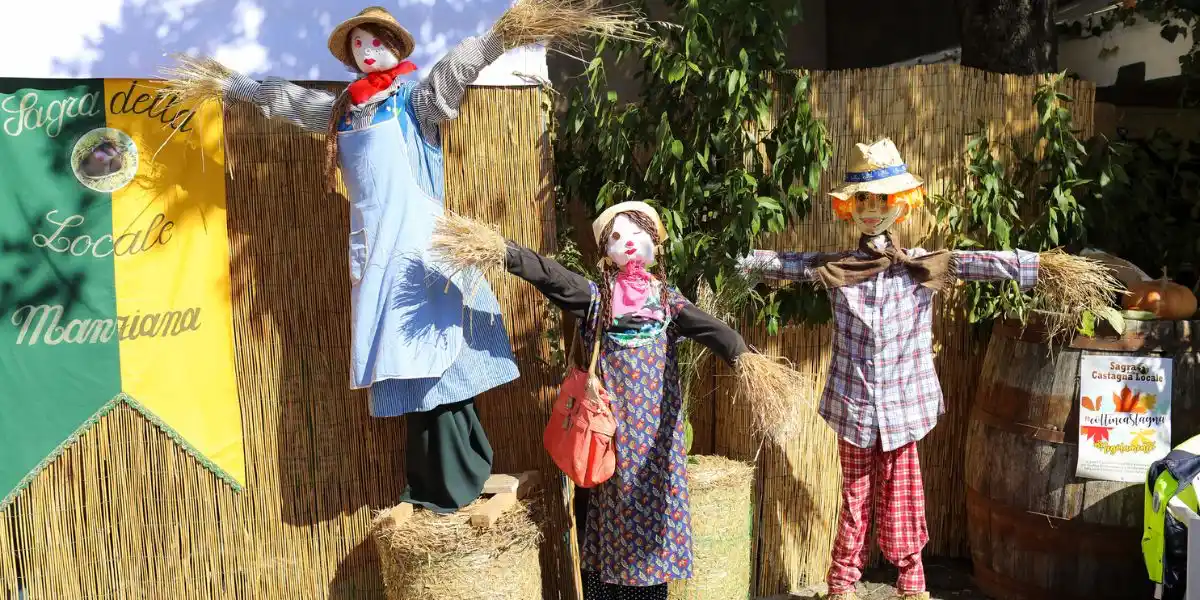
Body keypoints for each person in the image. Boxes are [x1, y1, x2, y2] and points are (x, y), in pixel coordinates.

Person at [431, 200, 811, 600]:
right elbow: (551, 276)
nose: (628, 243)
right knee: (608, 523)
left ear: (654, 242)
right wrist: (504, 252)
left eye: (638, 233)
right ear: (605, 252)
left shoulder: (668, 301)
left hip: (656, 447)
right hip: (609, 440)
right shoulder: (597, 300)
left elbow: (709, 328)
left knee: (651, 529)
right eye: (617, 236)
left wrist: (742, 355)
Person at [740, 138, 1049, 600]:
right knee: (855, 497)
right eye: (862, 199)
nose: (871, 209)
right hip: (854, 406)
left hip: (905, 407)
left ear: (900, 205)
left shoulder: (923, 267)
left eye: (881, 199)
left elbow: (978, 263)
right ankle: (841, 583)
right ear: (851, 207)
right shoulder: (838, 269)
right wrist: (735, 264)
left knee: (903, 497)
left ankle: (912, 583)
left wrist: (1041, 267)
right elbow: (787, 264)